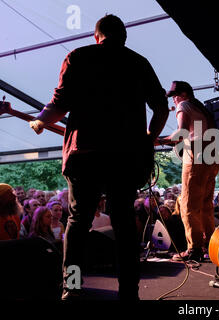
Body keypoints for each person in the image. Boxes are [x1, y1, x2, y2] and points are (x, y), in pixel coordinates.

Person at [28, 14, 169, 300]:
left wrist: (41, 120)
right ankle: (129, 292)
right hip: (126, 158)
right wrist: (148, 140)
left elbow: (60, 102)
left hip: (86, 155)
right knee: (125, 223)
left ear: (97, 36)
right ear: (124, 37)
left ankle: (73, 287)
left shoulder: (79, 56)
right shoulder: (138, 62)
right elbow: (161, 107)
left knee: (78, 223)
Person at [159, 81, 219, 262]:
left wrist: (157, 140)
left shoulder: (184, 105)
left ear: (183, 95)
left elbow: (182, 133)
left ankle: (194, 249)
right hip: (212, 156)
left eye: (175, 96)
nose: (174, 100)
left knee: (187, 205)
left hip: (197, 156)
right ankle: (211, 245)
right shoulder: (200, 109)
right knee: (206, 206)